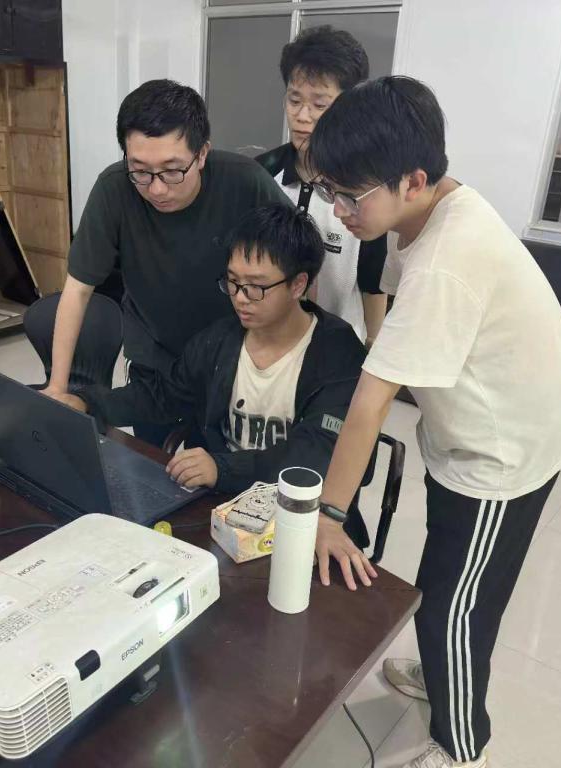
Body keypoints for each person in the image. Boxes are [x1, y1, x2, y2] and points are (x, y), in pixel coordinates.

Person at [306, 77, 561, 768]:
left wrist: (329, 516)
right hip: (479, 432)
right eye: (330, 191)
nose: (338, 212)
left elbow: (370, 402)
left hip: (501, 459)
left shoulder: (447, 261)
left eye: (351, 196)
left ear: (414, 179)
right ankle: (441, 670)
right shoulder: (434, 210)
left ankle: (461, 747)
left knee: (453, 608)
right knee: (452, 585)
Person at [54, 203, 372, 546]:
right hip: (223, 509)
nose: (240, 298)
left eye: (256, 287)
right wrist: (87, 402)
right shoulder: (221, 339)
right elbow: (163, 395)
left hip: (305, 519)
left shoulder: (338, 354)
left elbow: (315, 456)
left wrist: (222, 468)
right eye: (233, 282)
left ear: (298, 285)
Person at [41, 79, 289, 447]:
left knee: (218, 466)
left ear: (201, 154)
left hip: (233, 359)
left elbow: (297, 261)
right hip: (154, 362)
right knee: (152, 463)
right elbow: (77, 292)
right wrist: (57, 387)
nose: (156, 189)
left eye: (172, 171)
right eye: (140, 170)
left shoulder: (246, 182)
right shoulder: (113, 189)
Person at [256, 25, 388, 347]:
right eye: (294, 100)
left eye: (319, 105)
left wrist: (374, 346)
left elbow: (373, 282)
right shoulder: (261, 174)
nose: (302, 116)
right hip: (272, 344)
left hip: (340, 349)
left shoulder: (368, 188)